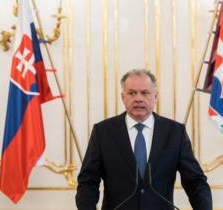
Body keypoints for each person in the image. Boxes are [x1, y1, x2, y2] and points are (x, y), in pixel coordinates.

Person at [76, 69, 212, 210]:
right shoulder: (103, 132)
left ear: (155, 96)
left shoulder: (175, 132)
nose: (138, 98)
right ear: (123, 97)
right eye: (132, 93)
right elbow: (88, 181)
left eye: (145, 93)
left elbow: (195, 182)